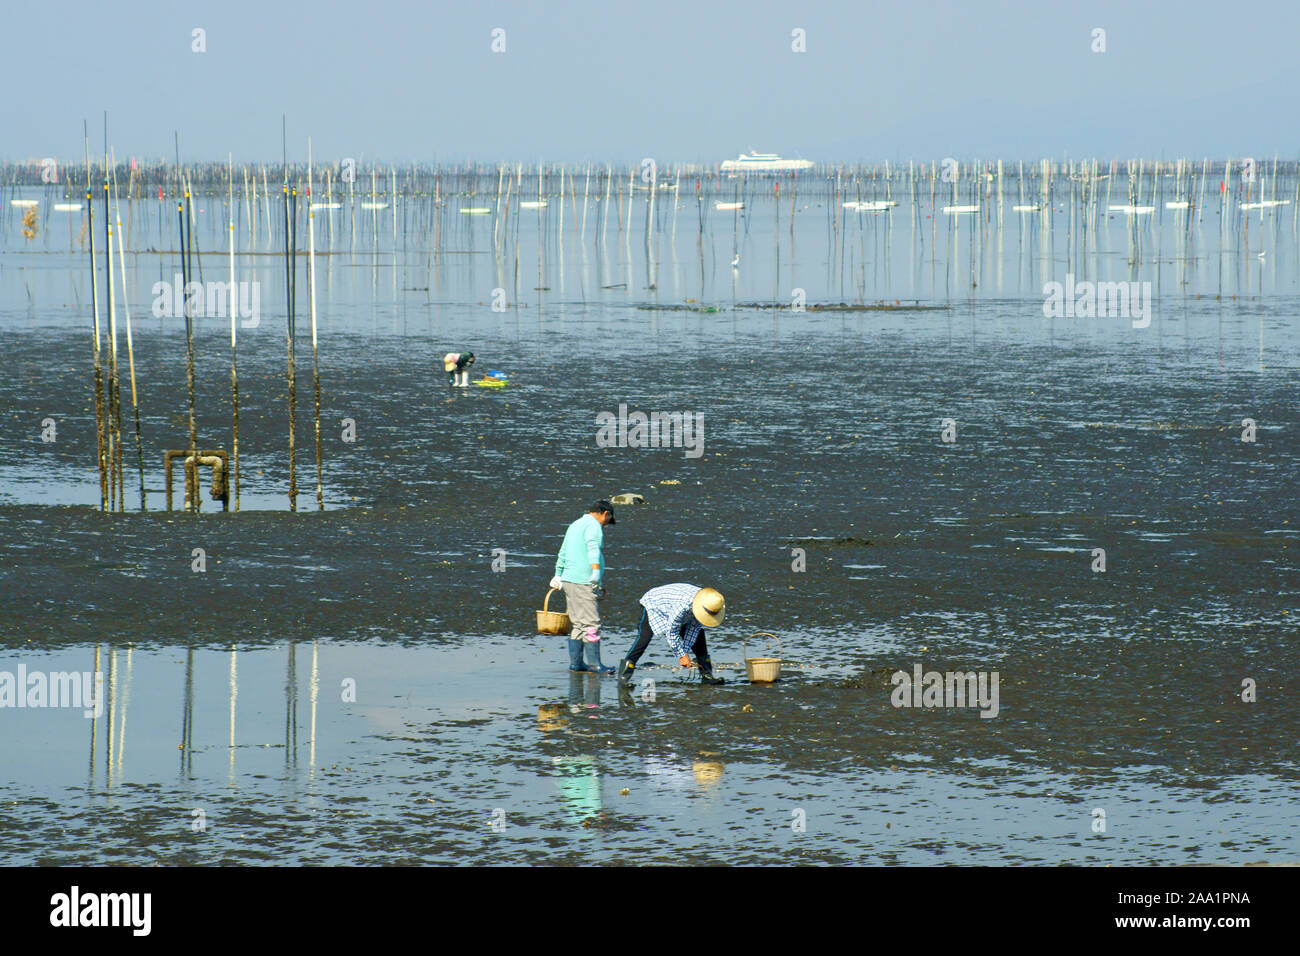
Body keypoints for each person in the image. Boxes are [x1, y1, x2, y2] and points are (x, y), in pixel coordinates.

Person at [550, 501, 617, 674]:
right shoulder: (593, 526)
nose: (606, 523)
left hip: (569, 580)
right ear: (605, 514)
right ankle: (595, 664)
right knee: (591, 622)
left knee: (578, 623)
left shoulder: (575, 524)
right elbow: (592, 548)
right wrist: (595, 571)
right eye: (608, 519)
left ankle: (576, 663)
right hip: (583, 580)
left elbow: (563, 551)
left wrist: (558, 573)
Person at [617, 584, 726, 687]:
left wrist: (685, 651)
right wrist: (682, 655)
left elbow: (694, 629)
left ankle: (707, 675)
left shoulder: (710, 601)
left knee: (699, 636)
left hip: (676, 606)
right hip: (654, 604)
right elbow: (672, 631)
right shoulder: (683, 605)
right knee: (644, 639)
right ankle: (623, 676)